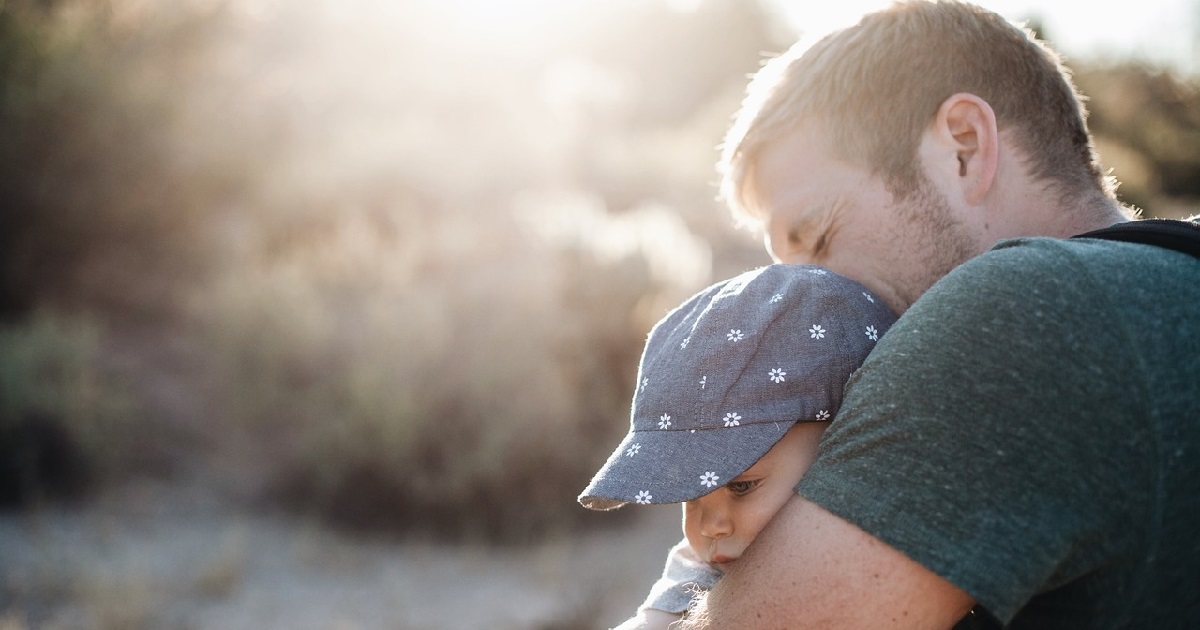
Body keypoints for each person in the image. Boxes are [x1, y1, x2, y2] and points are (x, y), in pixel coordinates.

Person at [665, 1, 1200, 628]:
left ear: (965, 147)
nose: (806, 299)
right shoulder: (1168, 282)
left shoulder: (1012, 315)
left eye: (818, 237)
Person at [577, 263, 896, 629]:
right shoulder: (701, 573)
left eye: (741, 486)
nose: (710, 527)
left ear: (843, 442)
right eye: (692, 495)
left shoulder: (895, 558)